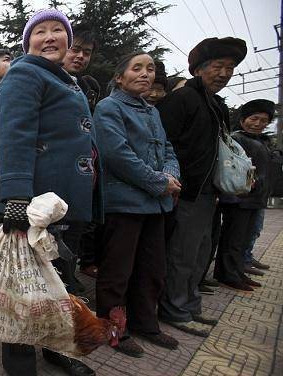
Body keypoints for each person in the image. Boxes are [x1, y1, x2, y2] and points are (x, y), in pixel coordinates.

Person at [0, 9, 101, 376]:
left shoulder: (67, 80)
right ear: (27, 43)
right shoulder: (25, 73)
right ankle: (21, 364)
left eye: (59, 30)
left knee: (59, 281)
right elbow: (14, 136)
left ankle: (57, 348)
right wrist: (15, 197)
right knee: (25, 285)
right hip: (35, 203)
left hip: (64, 202)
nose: (51, 36)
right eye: (40, 31)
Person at [157, 37, 247, 337]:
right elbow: (163, 145)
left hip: (211, 193)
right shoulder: (182, 99)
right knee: (182, 254)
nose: (223, 73)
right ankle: (174, 309)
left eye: (230, 68)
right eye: (217, 66)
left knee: (201, 253)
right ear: (198, 69)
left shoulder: (217, 105)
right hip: (187, 191)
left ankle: (191, 306)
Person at [94, 52, 181, 358]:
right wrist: (160, 182)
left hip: (156, 205)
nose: (146, 74)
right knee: (118, 271)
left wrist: (170, 176)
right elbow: (116, 154)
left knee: (152, 268)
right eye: (137, 68)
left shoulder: (152, 111)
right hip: (125, 204)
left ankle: (146, 323)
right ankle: (112, 327)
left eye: (151, 69)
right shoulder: (108, 107)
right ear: (119, 77)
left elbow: (168, 149)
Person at [214, 99, 275, 290]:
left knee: (244, 239)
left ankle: (238, 271)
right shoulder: (236, 139)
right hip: (239, 197)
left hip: (255, 198)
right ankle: (227, 274)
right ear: (242, 120)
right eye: (254, 119)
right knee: (233, 238)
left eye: (263, 120)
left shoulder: (260, 141)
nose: (258, 124)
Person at [61, 23, 101, 281]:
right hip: (54, 176)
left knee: (74, 235)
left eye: (86, 52)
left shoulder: (88, 87)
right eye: (75, 49)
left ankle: (69, 281)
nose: (80, 56)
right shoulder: (44, 80)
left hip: (83, 177)